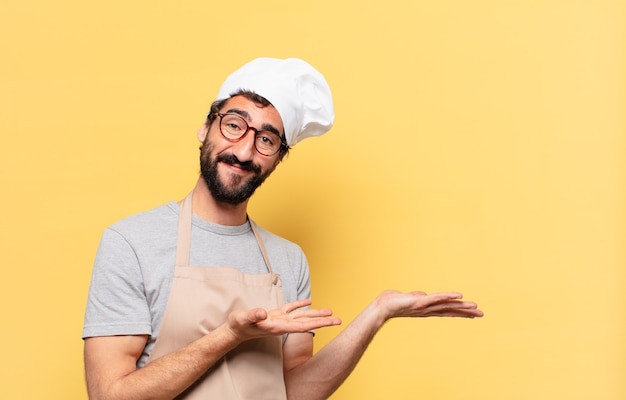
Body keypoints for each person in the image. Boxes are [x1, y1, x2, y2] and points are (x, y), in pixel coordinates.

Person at [83, 57, 484, 400]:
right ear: (205, 128)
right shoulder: (131, 243)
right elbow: (110, 394)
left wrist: (377, 313)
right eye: (234, 125)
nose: (244, 151)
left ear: (278, 159)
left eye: (266, 140)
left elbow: (295, 391)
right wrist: (229, 335)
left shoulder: (287, 261)